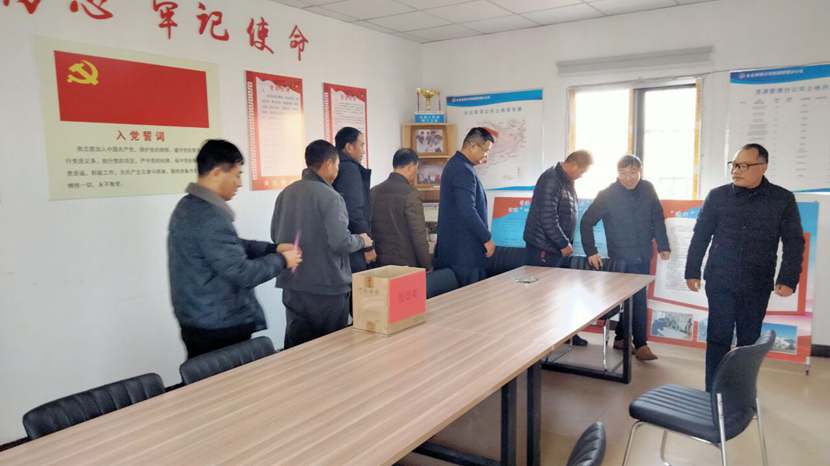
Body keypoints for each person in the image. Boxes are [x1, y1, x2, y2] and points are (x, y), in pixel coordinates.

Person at [685, 143, 804, 391]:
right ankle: (713, 391)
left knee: (749, 341)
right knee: (718, 337)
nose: (736, 170)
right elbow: (701, 236)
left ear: (763, 167)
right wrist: (692, 270)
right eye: (734, 165)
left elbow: (793, 241)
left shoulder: (782, 199)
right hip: (720, 279)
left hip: (756, 282)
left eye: (743, 165)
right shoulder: (717, 196)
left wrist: (788, 278)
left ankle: (740, 392)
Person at [168, 139, 302, 359]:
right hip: (218, 324)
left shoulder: (188, 206)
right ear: (217, 172)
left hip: (199, 315)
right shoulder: (209, 217)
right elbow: (242, 272)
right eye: (237, 174)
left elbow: (232, 245)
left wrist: (273, 248)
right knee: (227, 379)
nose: (239, 183)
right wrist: (283, 261)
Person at [271, 139, 373, 349]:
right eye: (337, 166)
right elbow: (341, 242)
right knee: (331, 349)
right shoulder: (331, 197)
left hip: (293, 285)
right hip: (327, 287)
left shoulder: (285, 193)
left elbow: (275, 236)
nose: (337, 171)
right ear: (328, 164)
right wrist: (362, 240)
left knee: (297, 348)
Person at [580, 155, 670, 361]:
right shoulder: (607, 194)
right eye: (623, 173)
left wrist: (663, 245)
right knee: (636, 299)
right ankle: (641, 344)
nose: (628, 178)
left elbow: (657, 217)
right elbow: (586, 222)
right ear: (617, 173)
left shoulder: (648, 189)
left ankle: (621, 338)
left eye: (633, 173)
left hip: (643, 254)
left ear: (640, 171)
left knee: (632, 298)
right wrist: (591, 251)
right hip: (620, 257)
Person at [523, 150, 592, 345]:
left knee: (561, 294)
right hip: (544, 249)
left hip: (556, 248)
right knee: (541, 298)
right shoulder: (551, 180)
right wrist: (563, 243)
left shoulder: (565, 180)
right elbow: (548, 218)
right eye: (582, 171)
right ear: (573, 165)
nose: (582, 175)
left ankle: (564, 334)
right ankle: (539, 342)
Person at [434, 127, 495, 286]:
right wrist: (486, 238)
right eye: (485, 151)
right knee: (471, 299)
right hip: (464, 255)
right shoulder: (462, 170)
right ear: (472, 146)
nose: (486, 157)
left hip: (457, 254)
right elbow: (467, 210)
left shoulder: (457, 165)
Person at [370, 148, 431, 269]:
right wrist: (427, 265)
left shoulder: (374, 191)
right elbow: (418, 237)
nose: (415, 174)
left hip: (379, 264)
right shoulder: (411, 194)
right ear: (410, 167)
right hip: (406, 265)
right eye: (416, 169)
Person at [332, 127, 375, 273]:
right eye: (361, 145)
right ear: (349, 147)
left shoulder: (337, 166)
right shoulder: (349, 169)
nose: (363, 151)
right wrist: (368, 246)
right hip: (353, 243)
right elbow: (354, 210)